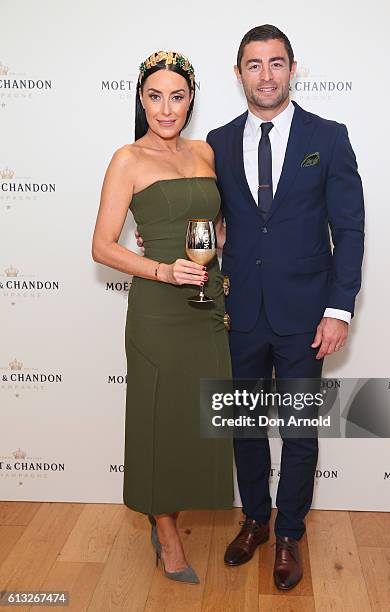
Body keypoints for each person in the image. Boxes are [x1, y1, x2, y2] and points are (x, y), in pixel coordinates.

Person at [136, 25, 365, 591]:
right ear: (238, 74)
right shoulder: (215, 141)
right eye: (254, 65)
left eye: (276, 63)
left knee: (299, 429)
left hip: (306, 315)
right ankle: (256, 520)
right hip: (234, 312)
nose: (266, 75)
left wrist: (339, 309)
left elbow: (351, 230)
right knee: (242, 425)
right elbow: (211, 217)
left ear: (293, 68)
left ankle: (290, 532)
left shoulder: (329, 137)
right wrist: (159, 244)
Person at [92, 50, 233, 585]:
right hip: (158, 307)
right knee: (157, 419)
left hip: (206, 303)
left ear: (191, 98)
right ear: (141, 99)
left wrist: (214, 250)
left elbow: (215, 227)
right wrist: (160, 269)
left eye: (176, 96)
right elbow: (103, 247)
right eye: (154, 96)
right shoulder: (127, 158)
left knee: (194, 418)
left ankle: (179, 509)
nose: (165, 108)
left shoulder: (205, 152)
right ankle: (166, 529)